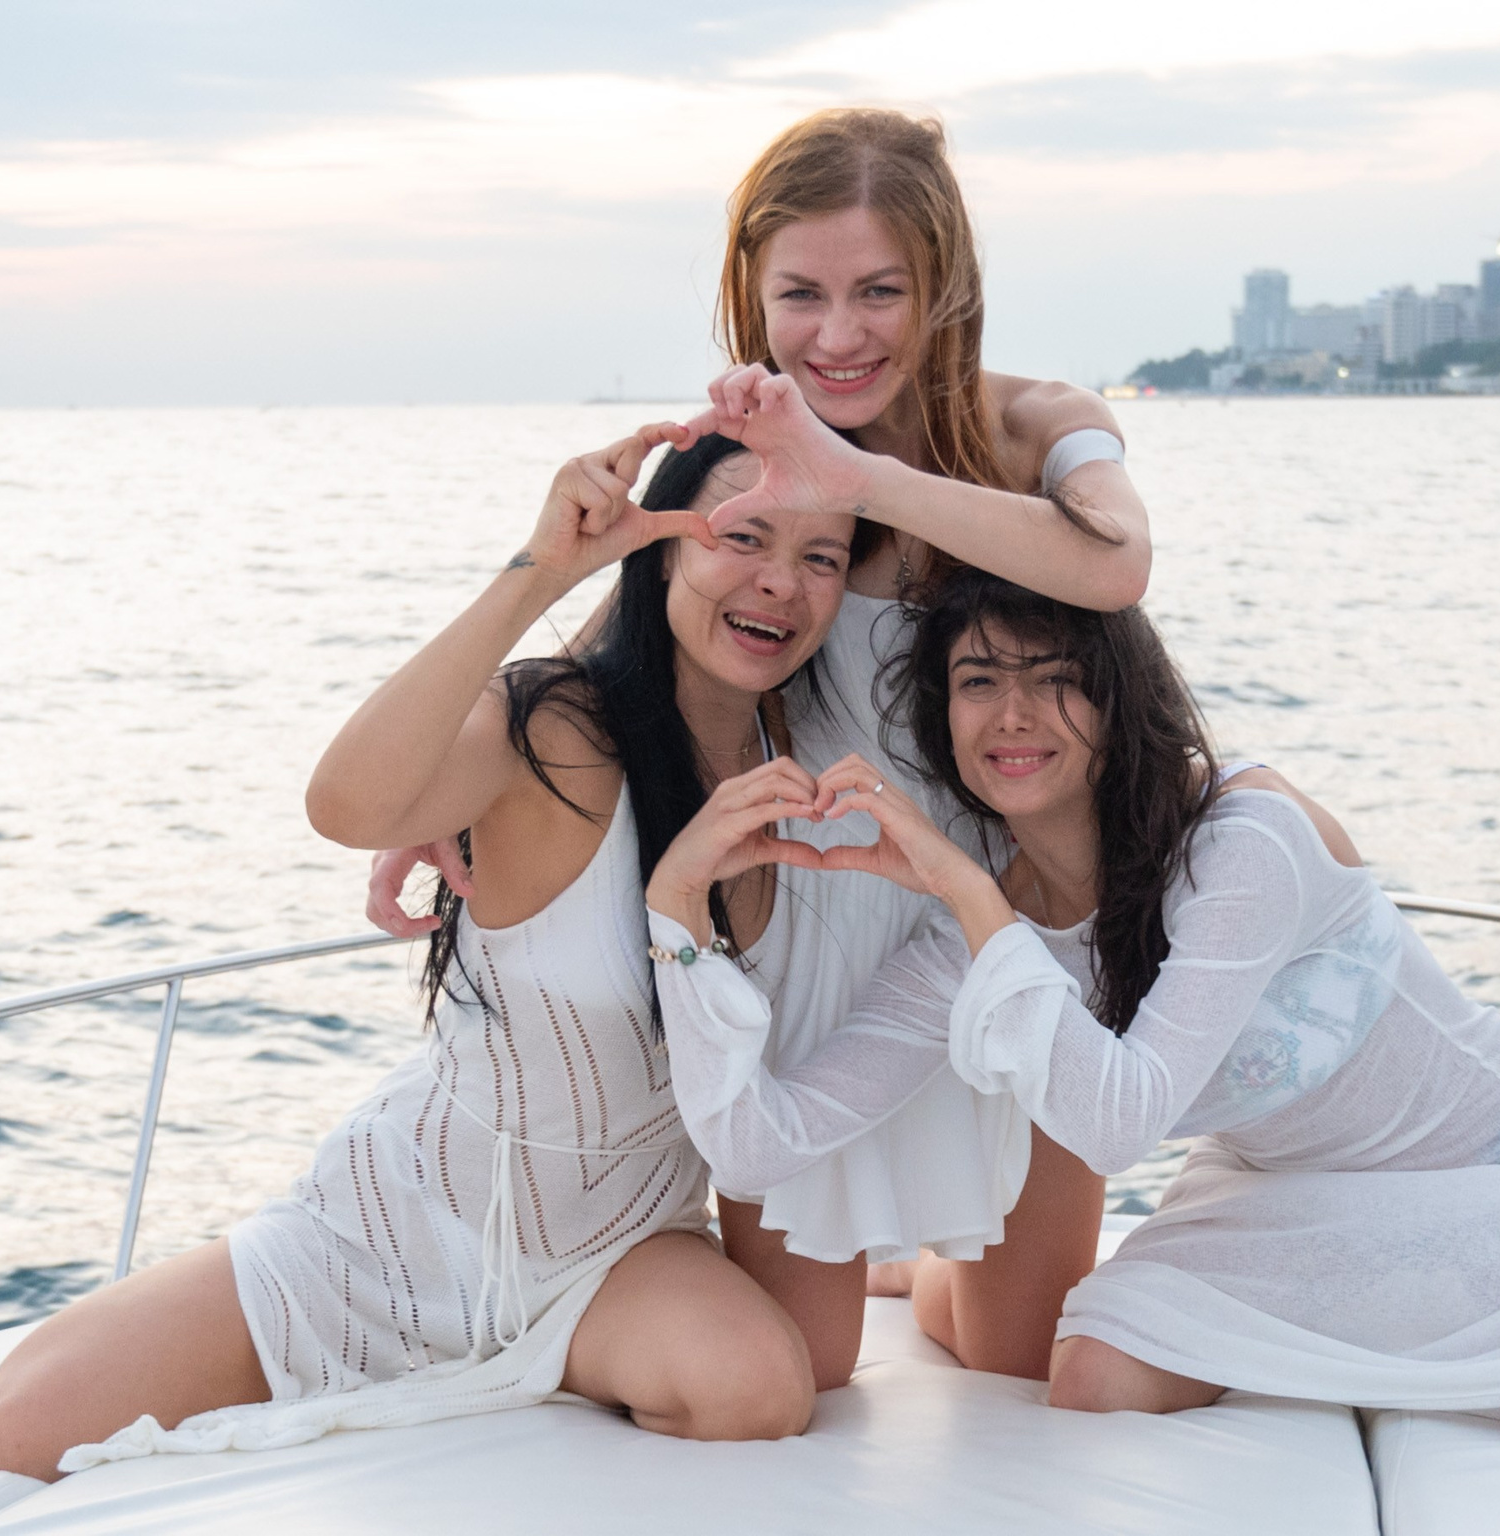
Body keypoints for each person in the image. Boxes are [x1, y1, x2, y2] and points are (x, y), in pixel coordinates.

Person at [0, 425, 1008, 1479]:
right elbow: (344, 806)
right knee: (19, 1427)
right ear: (661, 550)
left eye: (821, 557)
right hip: (401, 1228)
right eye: (743, 537)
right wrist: (544, 570)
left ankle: (522, 1369)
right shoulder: (555, 729)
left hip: (621, 1250)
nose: (781, 581)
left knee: (757, 1391)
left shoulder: (807, 775)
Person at [366, 107, 1156, 1381]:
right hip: (817, 921)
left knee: (1016, 1357)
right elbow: (648, 614)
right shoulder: (742, 446)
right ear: (751, 293)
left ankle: (932, 1279)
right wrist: (461, 781)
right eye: (801, 294)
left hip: (1008, 922)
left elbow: (1117, 566)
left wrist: (851, 476)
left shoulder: (1034, 428)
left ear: (945, 286)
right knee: (813, 1365)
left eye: (880, 291)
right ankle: (896, 1262)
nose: (838, 335)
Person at [669, 565, 1500, 1461]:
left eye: (1057, 678)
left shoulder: (1240, 836)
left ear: (1120, 698)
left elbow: (1118, 1125)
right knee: (1095, 1382)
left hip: (1495, 1162)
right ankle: (941, 1281)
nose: (1013, 715)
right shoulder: (972, 934)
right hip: (1283, 1191)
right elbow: (760, 1147)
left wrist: (965, 890)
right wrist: (678, 913)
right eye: (978, 680)